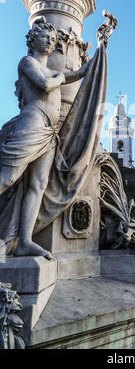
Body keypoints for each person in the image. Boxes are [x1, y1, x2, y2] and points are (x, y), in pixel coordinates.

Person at [0, 17, 90, 259]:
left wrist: (98, 54)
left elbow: (76, 74)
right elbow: (45, 84)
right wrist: (61, 78)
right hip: (33, 121)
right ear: (32, 39)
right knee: (7, 177)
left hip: (50, 132)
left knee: (37, 186)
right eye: (45, 36)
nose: (51, 41)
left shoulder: (52, 70)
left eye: (53, 38)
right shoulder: (27, 62)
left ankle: (24, 241)